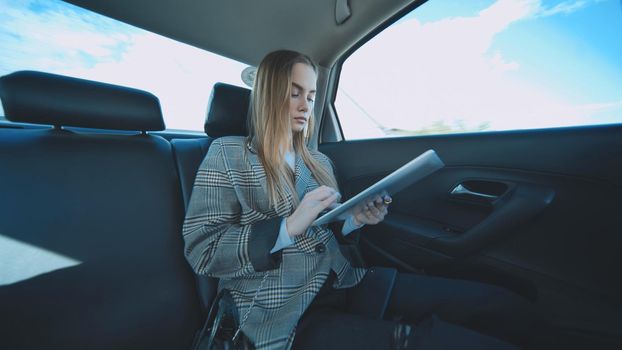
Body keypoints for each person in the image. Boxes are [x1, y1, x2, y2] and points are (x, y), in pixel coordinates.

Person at [183, 50, 545, 350]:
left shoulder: (319, 160)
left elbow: (327, 231)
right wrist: (288, 226)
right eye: (294, 93)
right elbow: (203, 250)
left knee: (503, 308)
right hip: (281, 309)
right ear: (268, 93)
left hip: (347, 280)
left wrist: (355, 219)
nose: (306, 105)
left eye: (310, 95)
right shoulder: (228, 155)